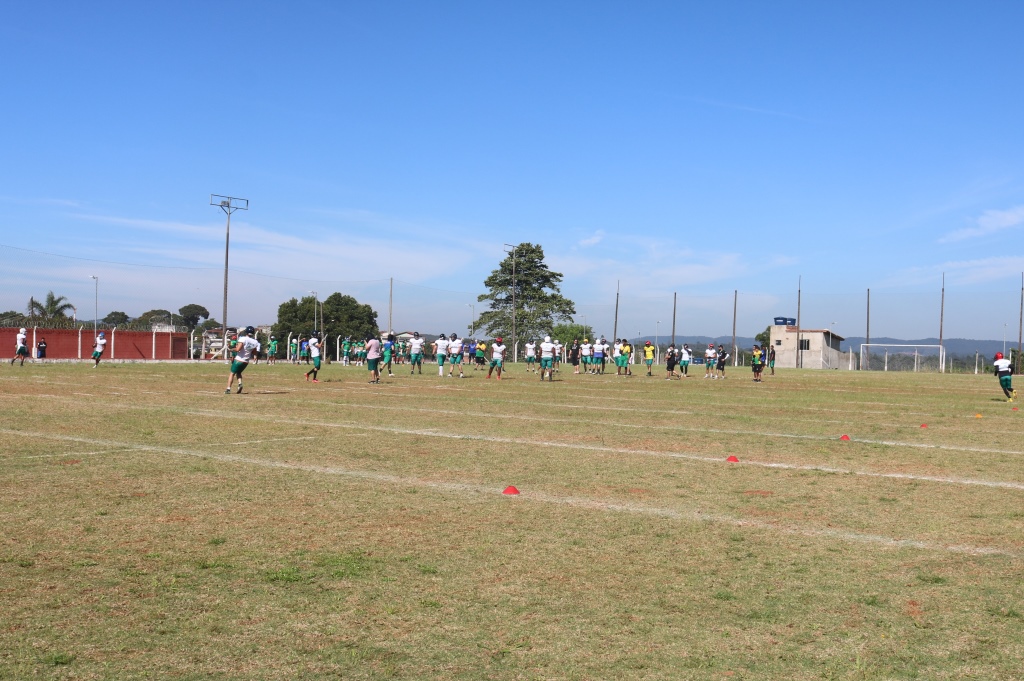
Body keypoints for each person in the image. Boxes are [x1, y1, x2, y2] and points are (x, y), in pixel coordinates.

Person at [225, 326, 260, 394]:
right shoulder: (255, 342)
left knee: (232, 374)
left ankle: (228, 389)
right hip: (246, 361)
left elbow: (238, 349)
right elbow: (254, 352)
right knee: (238, 373)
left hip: (239, 359)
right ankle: (240, 383)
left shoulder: (243, 338)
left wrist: (231, 349)